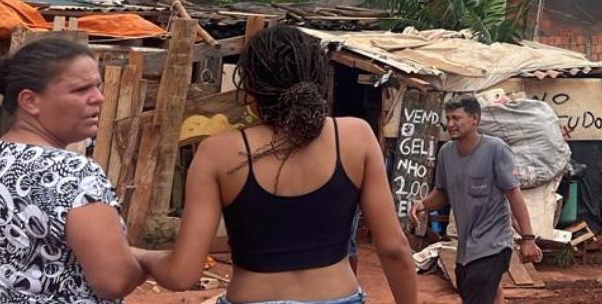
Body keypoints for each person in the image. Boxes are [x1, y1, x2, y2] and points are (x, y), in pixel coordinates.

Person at [136, 24, 417, 304]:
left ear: (249, 85)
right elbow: (394, 248)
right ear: (317, 78)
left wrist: (142, 256)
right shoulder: (356, 137)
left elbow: (182, 275)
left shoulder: (217, 154)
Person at [0, 36, 147, 304]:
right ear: (30, 101)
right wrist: (145, 262)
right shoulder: (72, 173)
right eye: (81, 90)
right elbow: (115, 280)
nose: (99, 98)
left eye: (97, 86)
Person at [409, 97, 542, 304]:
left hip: (493, 244)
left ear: (474, 119)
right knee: (477, 292)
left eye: (456, 118)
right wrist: (423, 204)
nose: (451, 124)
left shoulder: (495, 150)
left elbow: (514, 195)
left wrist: (528, 238)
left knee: (477, 295)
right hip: (465, 250)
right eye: (448, 118)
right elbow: (443, 193)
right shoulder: (446, 154)